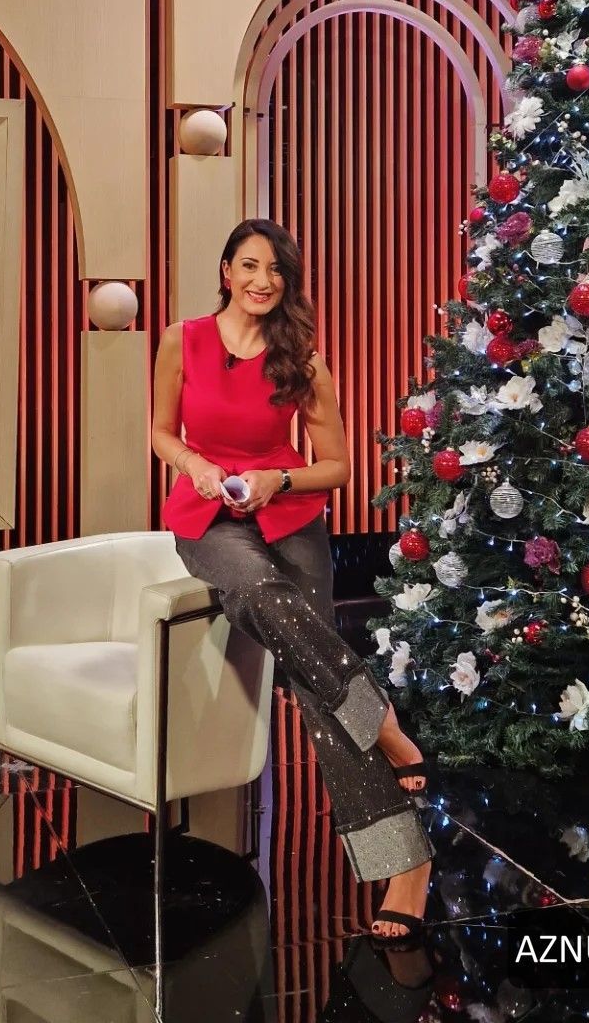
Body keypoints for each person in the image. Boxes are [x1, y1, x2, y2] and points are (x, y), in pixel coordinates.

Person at [151, 218, 433, 948]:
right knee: (256, 595)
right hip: (207, 519)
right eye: (249, 265)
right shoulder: (182, 340)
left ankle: (406, 867)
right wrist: (195, 465)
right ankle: (382, 720)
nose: (262, 280)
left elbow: (337, 467)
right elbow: (160, 431)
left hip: (290, 516)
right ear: (226, 270)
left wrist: (278, 478)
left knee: (315, 686)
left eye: (276, 270)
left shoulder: (301, 359)